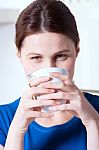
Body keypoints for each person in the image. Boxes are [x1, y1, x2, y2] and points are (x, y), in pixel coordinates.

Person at [0, 0, 99, 150]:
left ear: (77, 50)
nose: (50, 69)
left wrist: (93, 123)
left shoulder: (96, 110)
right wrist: (17, 130)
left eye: (61, 56)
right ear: (19, 55)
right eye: (36, 58)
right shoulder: (3, 120)